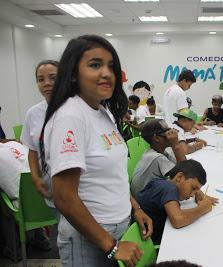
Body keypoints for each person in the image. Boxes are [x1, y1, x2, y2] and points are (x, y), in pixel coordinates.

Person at [39, 35, 153, 267]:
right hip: (88, 237)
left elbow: (113, 175)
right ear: (73, 73)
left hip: (116, 227)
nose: (106, 73)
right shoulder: (71, 116)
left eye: (111, 66)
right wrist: (111, 246)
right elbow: (64, 197)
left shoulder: (102, 112)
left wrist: (135, 207)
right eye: (95, 65)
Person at [137, 159, 215, 245]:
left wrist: (197, 191)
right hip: (151, 243)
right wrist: (203, 208)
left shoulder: (163, 183)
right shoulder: (169, 188)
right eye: (193, 188)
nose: (193, 195)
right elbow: (178, 220)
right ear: (179, 177)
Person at [21, 60, 58, 202]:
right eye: (40, 79)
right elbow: (32, 150)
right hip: (50, 189)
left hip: (81, 189)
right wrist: (36, 178)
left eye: (53, 78)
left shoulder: (75, 109)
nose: (46, 83)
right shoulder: (33, 113)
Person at [131, 119, 186, 197]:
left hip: (148, 194)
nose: (172, 137)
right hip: (144, 201)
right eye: (168, 134)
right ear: (156, 138)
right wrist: (175, 145)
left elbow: (182, 167)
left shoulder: (161, 152)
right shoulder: (156, 157)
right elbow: (185, 172)